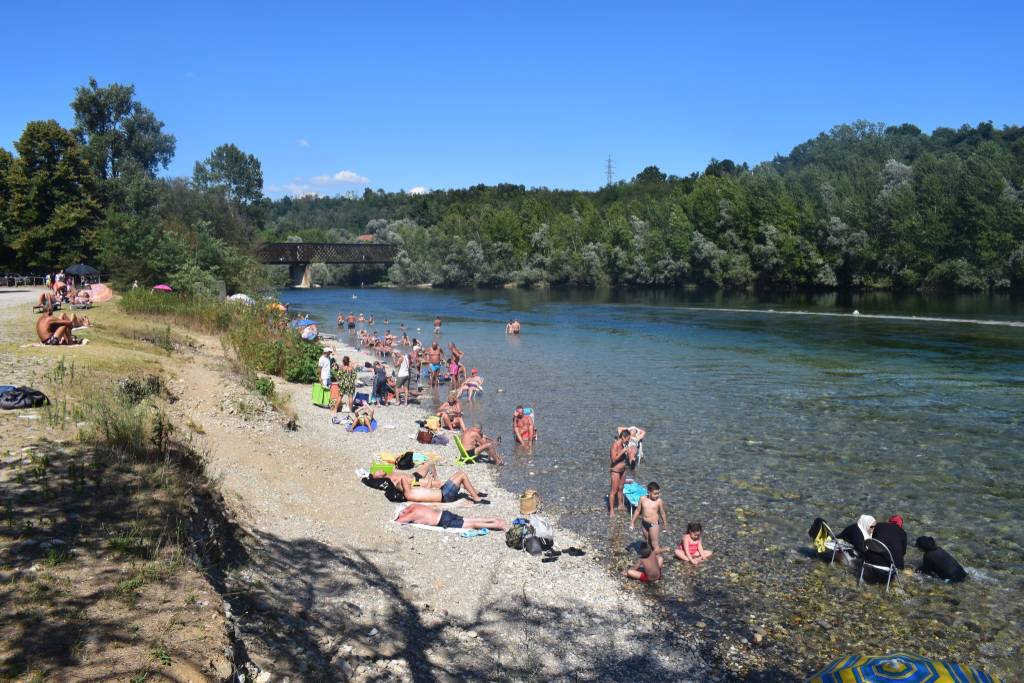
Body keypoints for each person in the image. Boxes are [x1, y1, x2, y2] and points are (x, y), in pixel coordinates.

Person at [372, 468, 487, 503]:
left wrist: (429, 481)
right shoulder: (410, 493)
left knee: (459, 473)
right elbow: (402, 479)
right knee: (462, 474)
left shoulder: (412, 493)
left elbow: (426, 492)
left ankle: (475, 493)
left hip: (442, 492)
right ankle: (476, 498)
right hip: (445, 495)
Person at [396, 503, 507, 531]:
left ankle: (497, 525)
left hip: (443, 521)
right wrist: (403, 511)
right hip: (445, 514)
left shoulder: (411, 515)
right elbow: (404, 512)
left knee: (472, 525)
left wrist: (399, 517)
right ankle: (493, 519)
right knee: (468, 519)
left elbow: (399, 521)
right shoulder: (413, 506)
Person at [631, 482, 668, 554]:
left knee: (654, 544)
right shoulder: (642, 499)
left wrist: (665, 524)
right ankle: (652, 558)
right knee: (648, 541)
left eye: (658, 493)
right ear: (648, 492)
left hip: (654, 525)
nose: (657, 496)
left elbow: (662, 513)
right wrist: (632, 522)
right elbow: (638, 510)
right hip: (644, 524)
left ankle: (664, 549)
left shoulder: (659, 501)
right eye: (655, 494)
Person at [608, 429, 631, 516]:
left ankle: (620, 505)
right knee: (614, 491)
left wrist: (628, 453)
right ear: (623, 437)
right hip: (615, 471)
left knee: (621, 488)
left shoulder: (624, 444)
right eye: (628, 438)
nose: (628, 440)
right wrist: (622, 452)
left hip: (623, 470)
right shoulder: (615, 445)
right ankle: (611, 511)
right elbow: (614, 460)